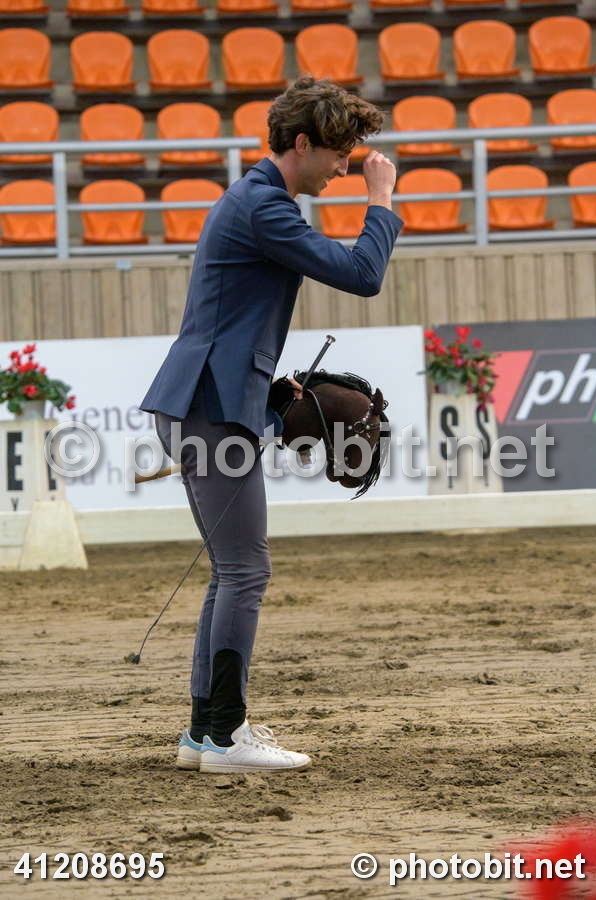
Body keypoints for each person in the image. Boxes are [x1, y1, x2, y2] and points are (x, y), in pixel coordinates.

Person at [139, 76, 401, 774]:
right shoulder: (265, 206)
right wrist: (380, 199)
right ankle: (226, 737)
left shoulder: (256, 200)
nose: (344, 167)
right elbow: (364, 273)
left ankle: (207, 733)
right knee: (245, 571)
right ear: (303, 143)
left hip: (209, 401)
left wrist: (268, 389)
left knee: (231, 572)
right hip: (210, 409)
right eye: (339, 153)